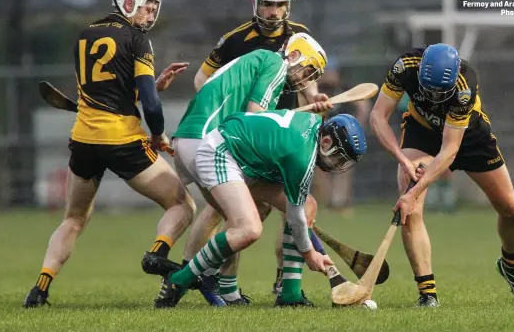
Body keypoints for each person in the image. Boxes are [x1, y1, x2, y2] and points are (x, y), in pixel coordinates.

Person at [23, 0, 195, 308]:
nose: (150, 16)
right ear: (128, 2)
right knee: (183, 205)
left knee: (73, 219)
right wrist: (158, 133)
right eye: (146, 8)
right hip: (123, 140)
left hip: (84, 140)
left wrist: (153, 84)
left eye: (154, 9)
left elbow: (107, 89)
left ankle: (40, 290)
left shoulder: (85, 36)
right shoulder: (137, 41)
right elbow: (150, 104)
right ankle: (157, 255)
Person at [174, 0, 331, 305]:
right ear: (254, 2)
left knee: (268, 211)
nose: (274, 11)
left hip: (277, 137)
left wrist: (313, 102)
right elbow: (203, 80)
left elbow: (307, 86)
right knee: (238, 214)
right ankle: (195, 273)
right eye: (267, 4)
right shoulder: (235, 40)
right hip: (240, 135)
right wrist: (229, 112)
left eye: (280, 4)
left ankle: (270, 284)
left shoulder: (300, 37)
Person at [369, 43, 514, 307]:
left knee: (511, 210)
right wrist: (403, 161)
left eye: (440, 94)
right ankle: (428, 294)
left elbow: (450, 149)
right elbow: (378, 116)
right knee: (410, 211)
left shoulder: (464, 84)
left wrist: (414, 191)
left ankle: (512, 267)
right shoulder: (405, 67)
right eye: (428, 91)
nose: (434, 98)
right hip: (421, 131)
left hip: (467, 136)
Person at [155, 110, 367, 309]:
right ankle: (179, 280)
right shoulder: (301, 155)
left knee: (307, 206)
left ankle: (289, 294)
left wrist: (308, 248)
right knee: (249, 229)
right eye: (339, 157)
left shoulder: (314, 127)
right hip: (221, 152)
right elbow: (294, 217)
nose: (338, 164)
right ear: (327, 142)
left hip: (249, 160)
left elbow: (298, 213)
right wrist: (310, 253)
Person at [311, 58, 371, 213]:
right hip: (321, 137)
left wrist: (356, 126)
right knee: (320, 170)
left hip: (343, 136)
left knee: (344, 169)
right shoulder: (315, 89)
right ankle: (328, 203)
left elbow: (363, 106)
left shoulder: (344, 88)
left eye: (332, 72)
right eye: (327, 72)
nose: (330, 75)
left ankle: (340, 203)